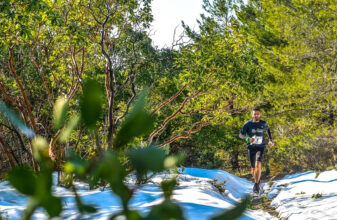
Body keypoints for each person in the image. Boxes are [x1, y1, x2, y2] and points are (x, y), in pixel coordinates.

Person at [239, 106, 274, 194]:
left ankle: (256, 185)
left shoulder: (263, 123)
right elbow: (241, 135)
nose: (256, 115)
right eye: (255, 114)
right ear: (252, 114)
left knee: (258, 164)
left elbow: (268, 131)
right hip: (251, 147)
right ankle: (257, 181)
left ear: (260, 114)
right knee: (253, 168)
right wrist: (248, 139)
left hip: (260, 147)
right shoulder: (248, 124)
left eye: (258, 114)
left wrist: (270, 140)